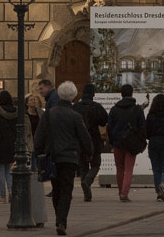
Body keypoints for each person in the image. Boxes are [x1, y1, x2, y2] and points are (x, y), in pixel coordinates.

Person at [33, 80, 92, 237]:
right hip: (70, 158)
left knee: (56, 189)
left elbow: (39, 135)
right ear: (73, 96)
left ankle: (59, 219)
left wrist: (37, 152)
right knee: (67, 190)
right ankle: (61, 221)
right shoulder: (75, 116)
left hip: (52, 156)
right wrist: (89, 153)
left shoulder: (49, 113)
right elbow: (84, 137)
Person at [106, 84, 147, 200]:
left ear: (121, 94)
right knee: (129, 169)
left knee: (119, 168)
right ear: (132, 94)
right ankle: (124, 193)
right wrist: (142, 143)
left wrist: (112, 141)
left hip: (118, 143)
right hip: (131, 143)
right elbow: (142, 127)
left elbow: (109, 127)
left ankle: (121, 192)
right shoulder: (137, 109)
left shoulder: (114, 109)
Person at [73, 85, 107, 203]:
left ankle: (87, 194)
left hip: (80, 140)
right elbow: (104, 121)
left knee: (83, 166)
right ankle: (87, 181)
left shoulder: (76, 106)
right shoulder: (96, 107)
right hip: (94, 139)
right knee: (96, 164)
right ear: (93, 94)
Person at [144, 92, 164, 201]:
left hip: (154, 143)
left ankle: (158, 193)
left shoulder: (151, 116)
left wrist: (151, 138)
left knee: (156, 169)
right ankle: (163, 185)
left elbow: (146, 131)